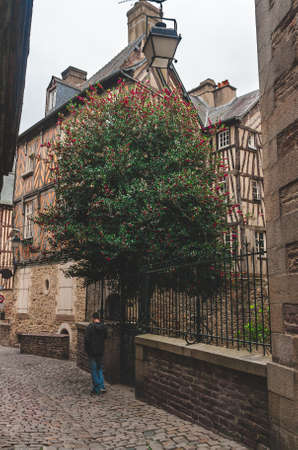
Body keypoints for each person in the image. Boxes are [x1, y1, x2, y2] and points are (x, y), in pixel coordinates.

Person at [84, 312, 108, 395]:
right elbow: (105, 337)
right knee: (99, 369)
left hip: (92, 352)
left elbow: (86, 340)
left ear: (93, 318)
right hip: (100, 351)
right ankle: (102, 387)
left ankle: (98, 388)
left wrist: (87, 350)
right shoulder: (104, 327)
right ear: (99, 318)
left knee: (94, 370)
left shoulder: (90, 327)